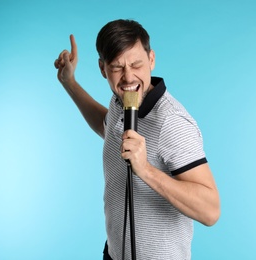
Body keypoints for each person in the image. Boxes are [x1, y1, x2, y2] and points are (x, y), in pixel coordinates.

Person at [54, 19, 220, 260]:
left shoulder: (171, 122)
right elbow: (107, 127)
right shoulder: (121, 101)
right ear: (103, 69)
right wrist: (69, 83)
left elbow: (210, 210)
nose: (128, 78)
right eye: (117, 67)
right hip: (114, 253)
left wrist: (146, 170)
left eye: (136, 64)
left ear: (151, 60)